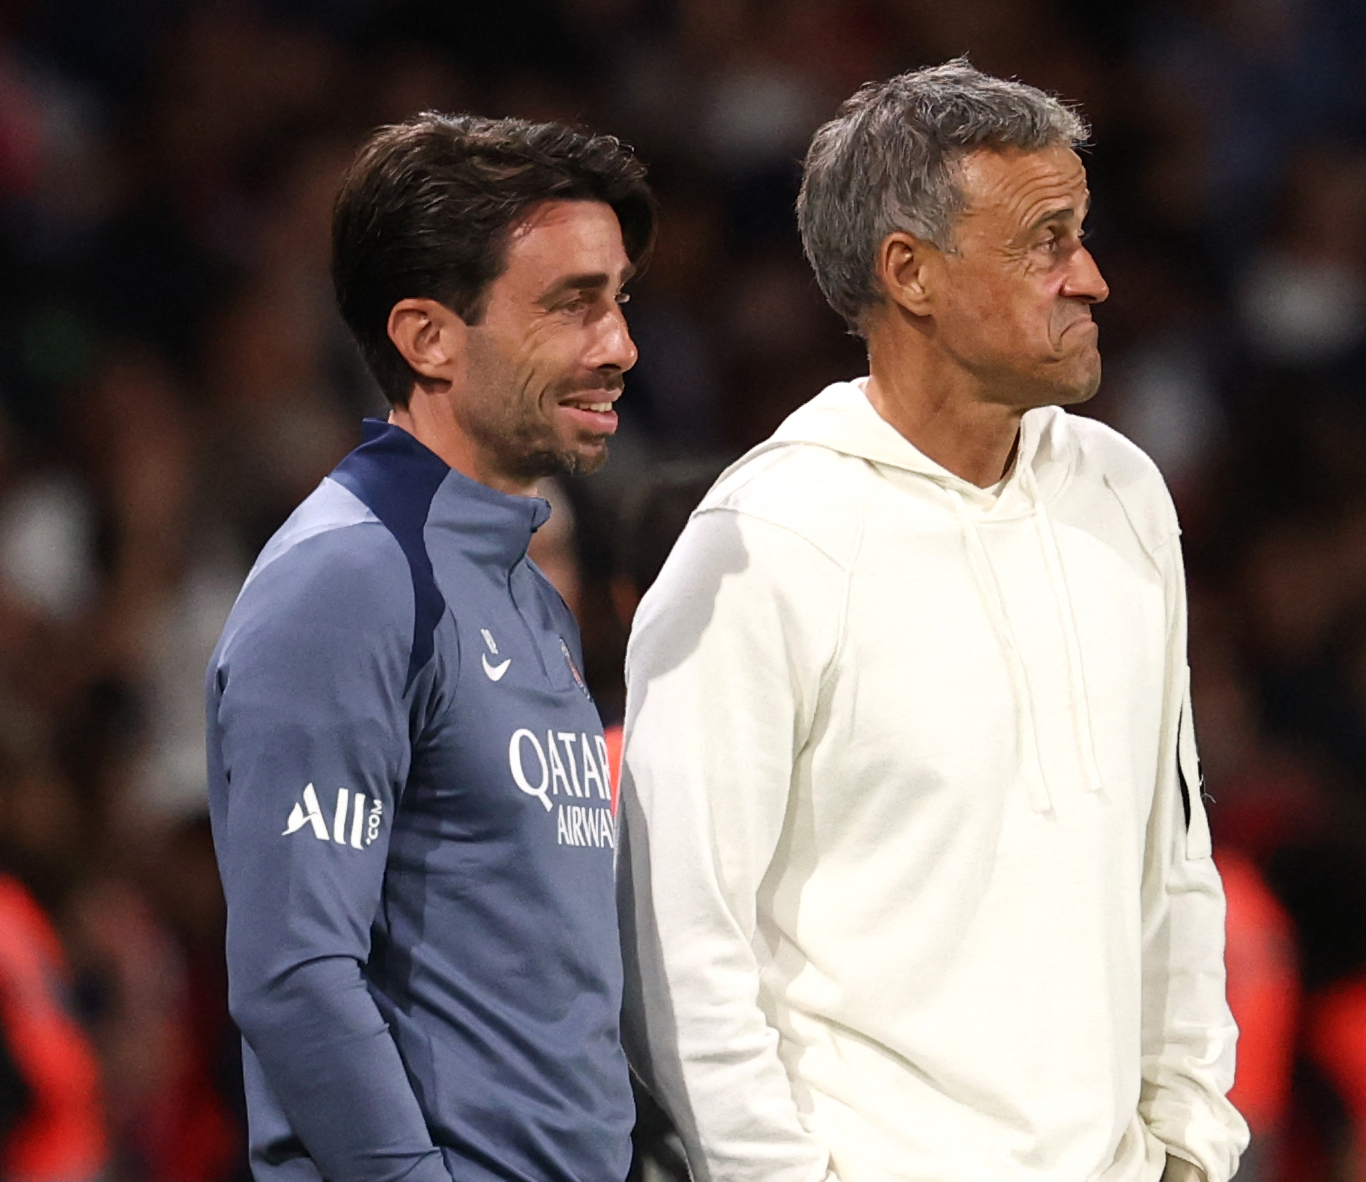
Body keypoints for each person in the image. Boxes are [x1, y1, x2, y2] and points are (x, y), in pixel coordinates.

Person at [619, 61, 1248, 1182]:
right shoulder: (764, 543)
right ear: (908, 273)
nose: (1092, 278)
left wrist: (1191, 1143)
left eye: (1082, 233)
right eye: (1045, 242)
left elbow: (1174, 862)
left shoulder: (1124, 496)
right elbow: (683, 945)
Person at [206, 113, 652, 1182]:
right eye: (571, 304)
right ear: (426, 337)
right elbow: (296, 974)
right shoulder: (349, 580)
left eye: (620, 301)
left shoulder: (527, 594)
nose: (619, 346)